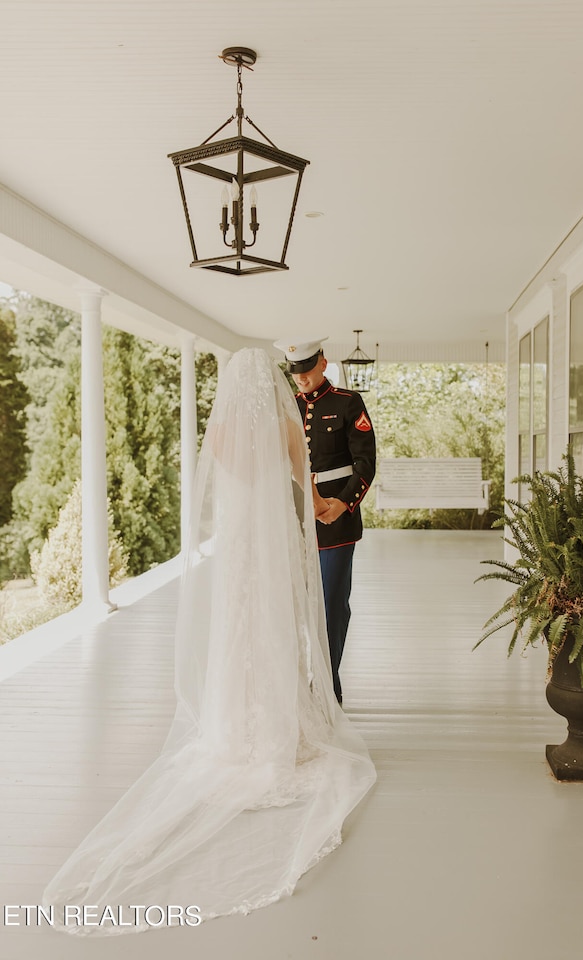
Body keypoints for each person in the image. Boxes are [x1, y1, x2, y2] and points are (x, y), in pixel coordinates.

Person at [42, 349, 375, 936]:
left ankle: (232, 732)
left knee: (237, 634)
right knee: (275, 629)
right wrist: (328, 508)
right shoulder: (285, 425)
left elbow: (217, 497)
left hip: (237, 552)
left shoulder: (218, 432)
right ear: (268, 385)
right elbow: (304, 487)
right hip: (272, 547)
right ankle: (279, 728)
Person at [274, 338, 376, 703]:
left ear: (322, 363)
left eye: (306, 369)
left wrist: (343, 503)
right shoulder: (288, 409)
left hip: (336, 519)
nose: (300, 378)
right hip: (293, 517)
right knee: (293, 603)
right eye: (294, 371)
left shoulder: (348, 403)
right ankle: (298, 685)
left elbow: (365, 462)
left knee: (332, 604)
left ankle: (328, 687)